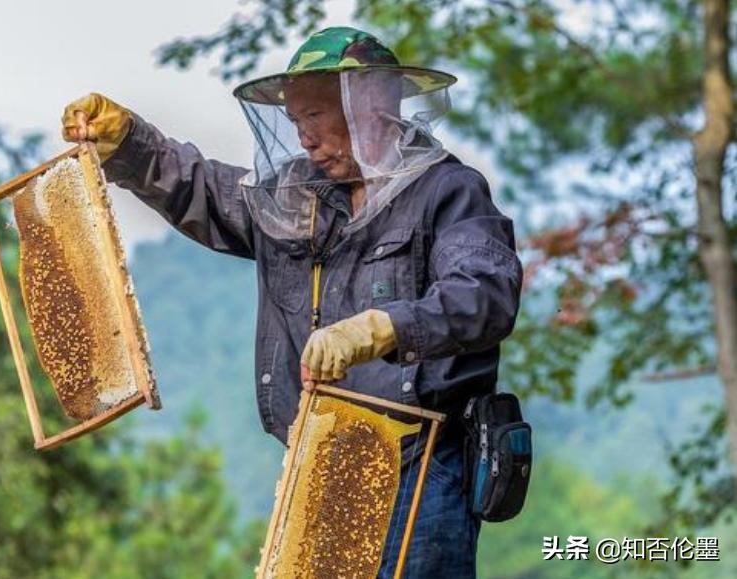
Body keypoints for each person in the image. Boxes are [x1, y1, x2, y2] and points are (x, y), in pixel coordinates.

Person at [62, 26, 522, 579]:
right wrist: (131, 145)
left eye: (315, 116)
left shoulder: (447, 191)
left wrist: (381, 328)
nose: (304, 138)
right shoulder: (296, 197)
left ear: (370, 105)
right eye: (295, 119)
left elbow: (485, 292)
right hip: (322, 464)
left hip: (422, 468)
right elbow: (208, 191)